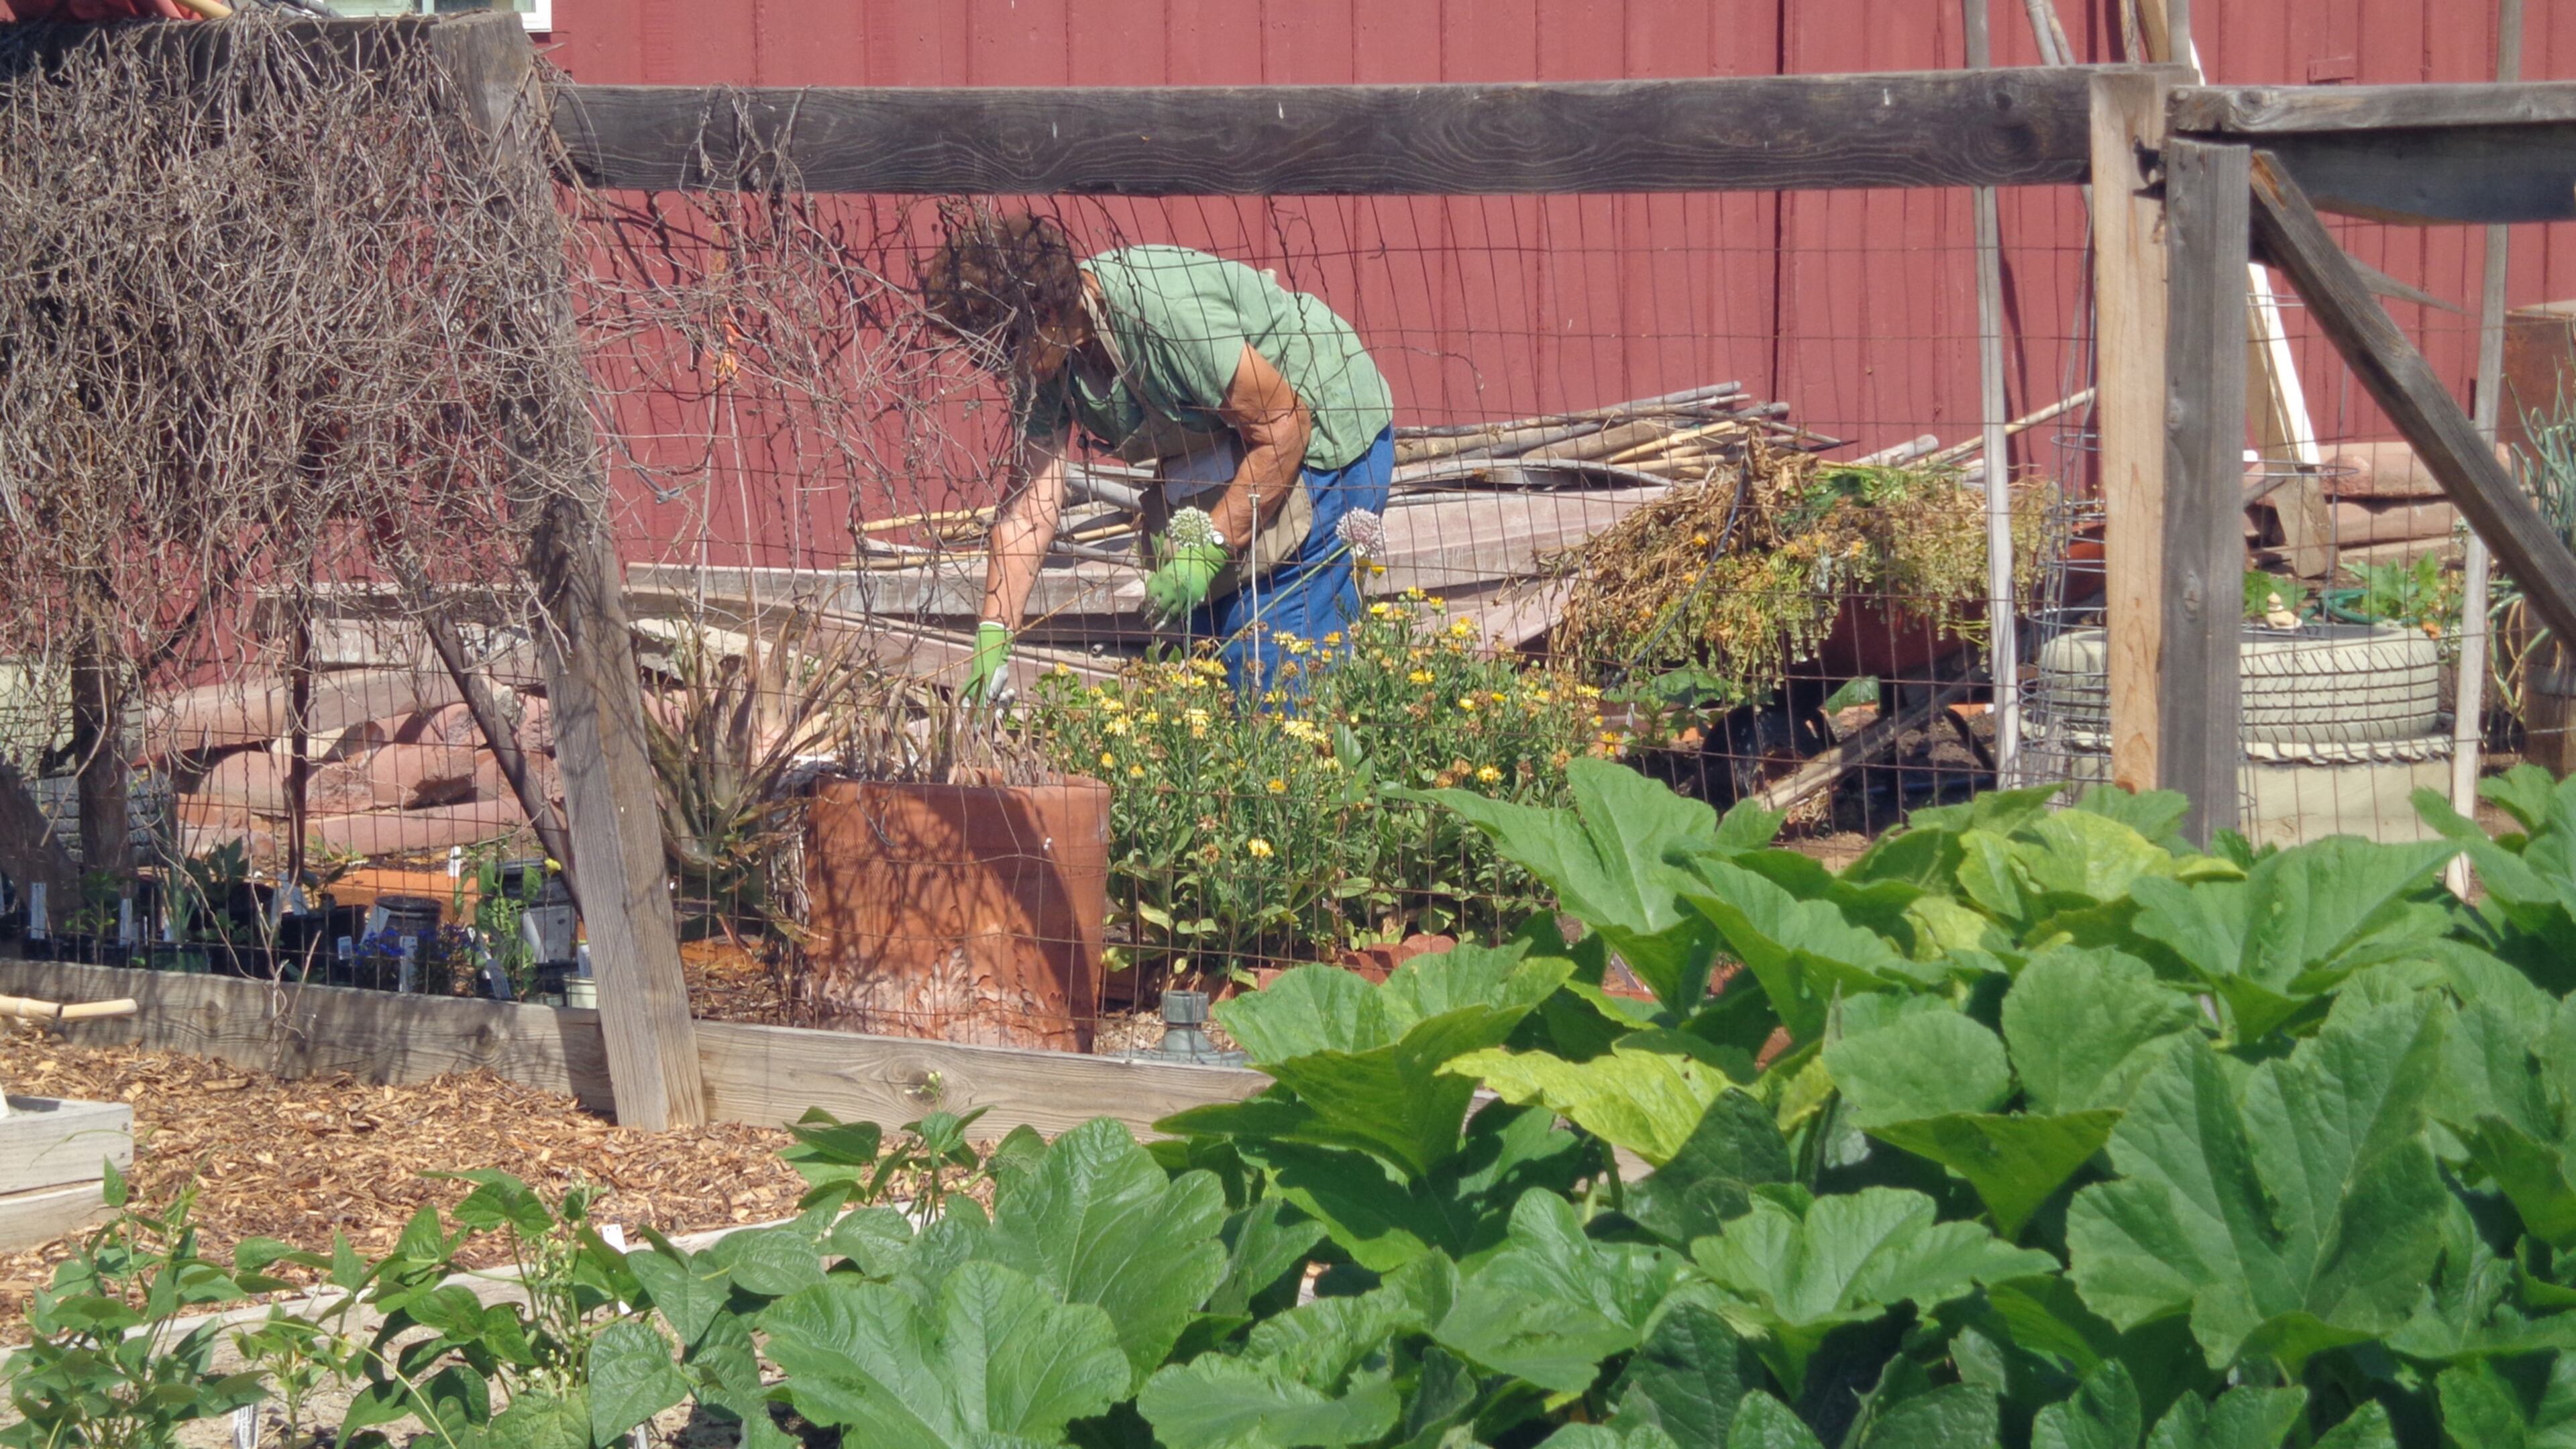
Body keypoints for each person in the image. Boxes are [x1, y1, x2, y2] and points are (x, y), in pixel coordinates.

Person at [920, 213, 1394, 698]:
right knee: (1210, 664)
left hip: (1323, 439)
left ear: (1046, 313)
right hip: (1235, 447)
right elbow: (1028, 511)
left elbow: (1284, 424)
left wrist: (1209, 548)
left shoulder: (1163, 312)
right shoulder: (1045, 364)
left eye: (1003, 345)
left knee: (1268, 663)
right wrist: (993, 639)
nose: (993, 365)